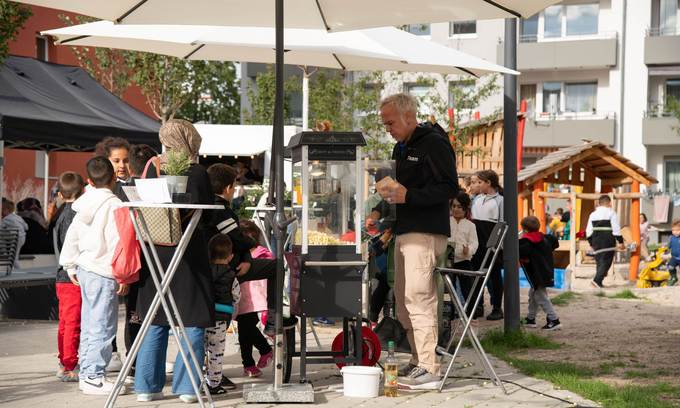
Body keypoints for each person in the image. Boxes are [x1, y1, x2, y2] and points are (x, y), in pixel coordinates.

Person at [378, 93, 458, 389]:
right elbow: (399, 189)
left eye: (390, 122)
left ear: (409, 117)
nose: (387, 128)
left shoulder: (434, 143)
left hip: (425, 232)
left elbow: (450, 187)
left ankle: (430, 367)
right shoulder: (402, 146)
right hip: (405, 230)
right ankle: (417, 359)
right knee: (403, 299)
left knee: (419, 297)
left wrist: (408, 195)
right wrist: (381, 206)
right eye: (384, 123)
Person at [134, 120, 215, 404]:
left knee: (155, 318)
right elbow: (207, 215)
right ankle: (188, 387)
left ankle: (146, 386)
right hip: (188, 252)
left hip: (154, 251)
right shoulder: (197, 172)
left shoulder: (151, 167)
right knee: (192, 319)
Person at [59, 157, 129, 395]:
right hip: (104, 270)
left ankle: (88, 372)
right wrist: (122, 275)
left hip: (84, 268)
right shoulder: (115, 205)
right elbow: (117, 243)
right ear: (113, 178)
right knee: (103, 326)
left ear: (88, 180)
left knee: (91, 325)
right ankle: (93, 376)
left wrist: (69, 265)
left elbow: (72, 236)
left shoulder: (82, 203)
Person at [206, 163, 296, 337]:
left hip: (234, 263)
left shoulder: (213, 206)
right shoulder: (220, 209)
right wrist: (252, 242)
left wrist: (247, 258)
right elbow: (237, 238)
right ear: (227, 188)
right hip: (227, 267)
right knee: (276, 267)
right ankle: (272, 319)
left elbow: (237, 239)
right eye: (234, 186)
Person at [94, 136, 132, 370]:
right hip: (107, 261)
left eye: (125, 160)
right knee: (106, 316)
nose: (121, 165)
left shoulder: (132, 186)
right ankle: (112, 353)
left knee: (132, 311)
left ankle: (134, 356)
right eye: (116, 160)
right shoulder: (102, 192)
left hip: (130, 259)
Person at [51, 172, 85, 382]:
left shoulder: (59, 215)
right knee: (73, 324)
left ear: (61, 195)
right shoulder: (75, 215)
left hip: (61, 277)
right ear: (82, 191)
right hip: (73, 277)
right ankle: (70, 365)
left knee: (65, 323)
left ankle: (65, 360)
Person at [235, 219, 274, 378]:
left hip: (255, 299)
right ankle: (253, 361)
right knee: (244, 332)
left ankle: (257, 357)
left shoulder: (262, 253)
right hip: (242, 299)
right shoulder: (240, 254)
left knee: (246, 330)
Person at [204, 234, 236, 395]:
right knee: (216, 353)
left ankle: (199, 381)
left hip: (203, 316)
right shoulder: (231, 275)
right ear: (230, 256)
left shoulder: (204, 272)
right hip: (221, 319)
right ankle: (214, 384)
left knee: (200, 350)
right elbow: (237, 295)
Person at [470, 169, 504, 321]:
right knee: (476, 275)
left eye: (480, 182)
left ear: (489, 183)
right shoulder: (477, 199)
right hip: (476, 243)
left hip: (491, 243)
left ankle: (497, 307)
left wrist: (497, 245)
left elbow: (502, 224)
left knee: (494, 276)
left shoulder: (500, 200)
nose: (477, 185)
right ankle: (478, 307)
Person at [519, 216, 561, 331]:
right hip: (546, 271)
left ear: (524, 229)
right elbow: (555, 243)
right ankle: (530, 318)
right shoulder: (546, 238)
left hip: (535, 273)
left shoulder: (525, 242)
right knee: (533, 294)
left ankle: (554, 319)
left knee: (540, 296)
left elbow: (520, 253)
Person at [448, 192, 478, 318]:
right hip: (448, 261)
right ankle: (449, 313)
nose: (456, 209)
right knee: (449, 288)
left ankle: (471, 313)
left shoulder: (471, 226)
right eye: (454, 206)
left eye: (459, 207)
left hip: (464, 261)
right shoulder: (446, 222)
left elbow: (474, 243)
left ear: (465, 209)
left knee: (468, 288)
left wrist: (468, 250)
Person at [586, 195, 624, 289]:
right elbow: (616, 228)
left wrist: (591, 243)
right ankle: (596, 281)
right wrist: (620, 241)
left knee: (599, 260)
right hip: (607, 239)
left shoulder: (593, 214)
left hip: (596, 239)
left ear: (599, 203)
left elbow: (588, 230)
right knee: (606, 261)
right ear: (609, 203)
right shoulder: (611, 212)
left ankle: (599, 282)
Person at [1, 198, 28, 267]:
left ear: (6, 210)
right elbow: (26, 227)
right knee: (14, 256)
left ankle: (20, 272)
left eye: (2, 210)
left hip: (15, 239)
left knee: (14, 259)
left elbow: (0, 228)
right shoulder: (18, 217)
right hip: (22, 238)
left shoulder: (6, 219)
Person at [666, 219, 680, 286]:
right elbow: (668, 246)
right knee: (670, 266)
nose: (675, 232)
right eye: (673, 230)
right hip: (674, 257)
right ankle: (674, 277)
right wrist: (665, 250)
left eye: (677, 230)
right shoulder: (671, 238)